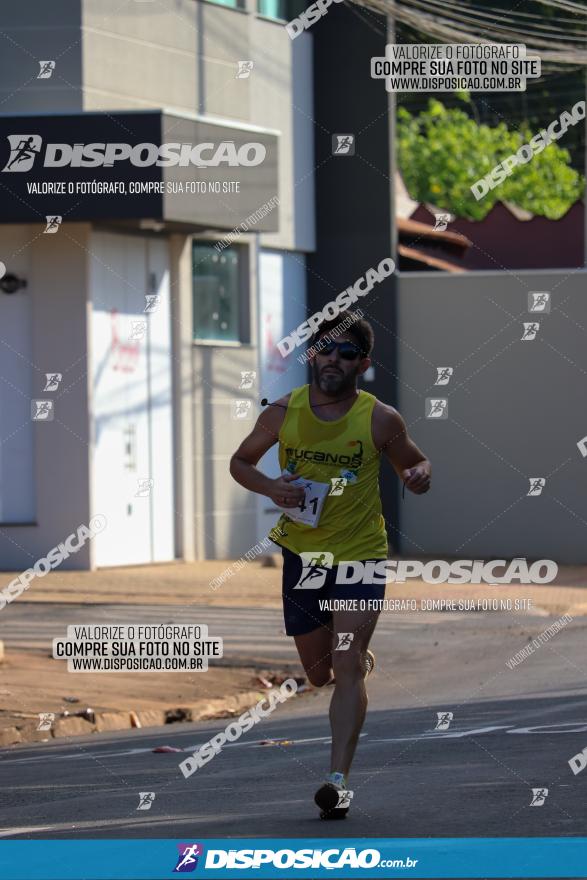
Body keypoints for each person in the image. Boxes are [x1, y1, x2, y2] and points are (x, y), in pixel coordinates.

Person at [229, 311, 431, 818]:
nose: (334, 359)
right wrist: (273, 487)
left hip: (361, 555)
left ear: (363, 363)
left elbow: (413, 462)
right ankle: (354, 661)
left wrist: (419, 476)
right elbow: (240, 461)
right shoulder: (282, 412)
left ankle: (336, 780)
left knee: (344, 665)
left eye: (347, 352)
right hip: (304, 556)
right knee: (319, 673)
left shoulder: (380, 419)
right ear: (311, 355)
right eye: (326, 349)